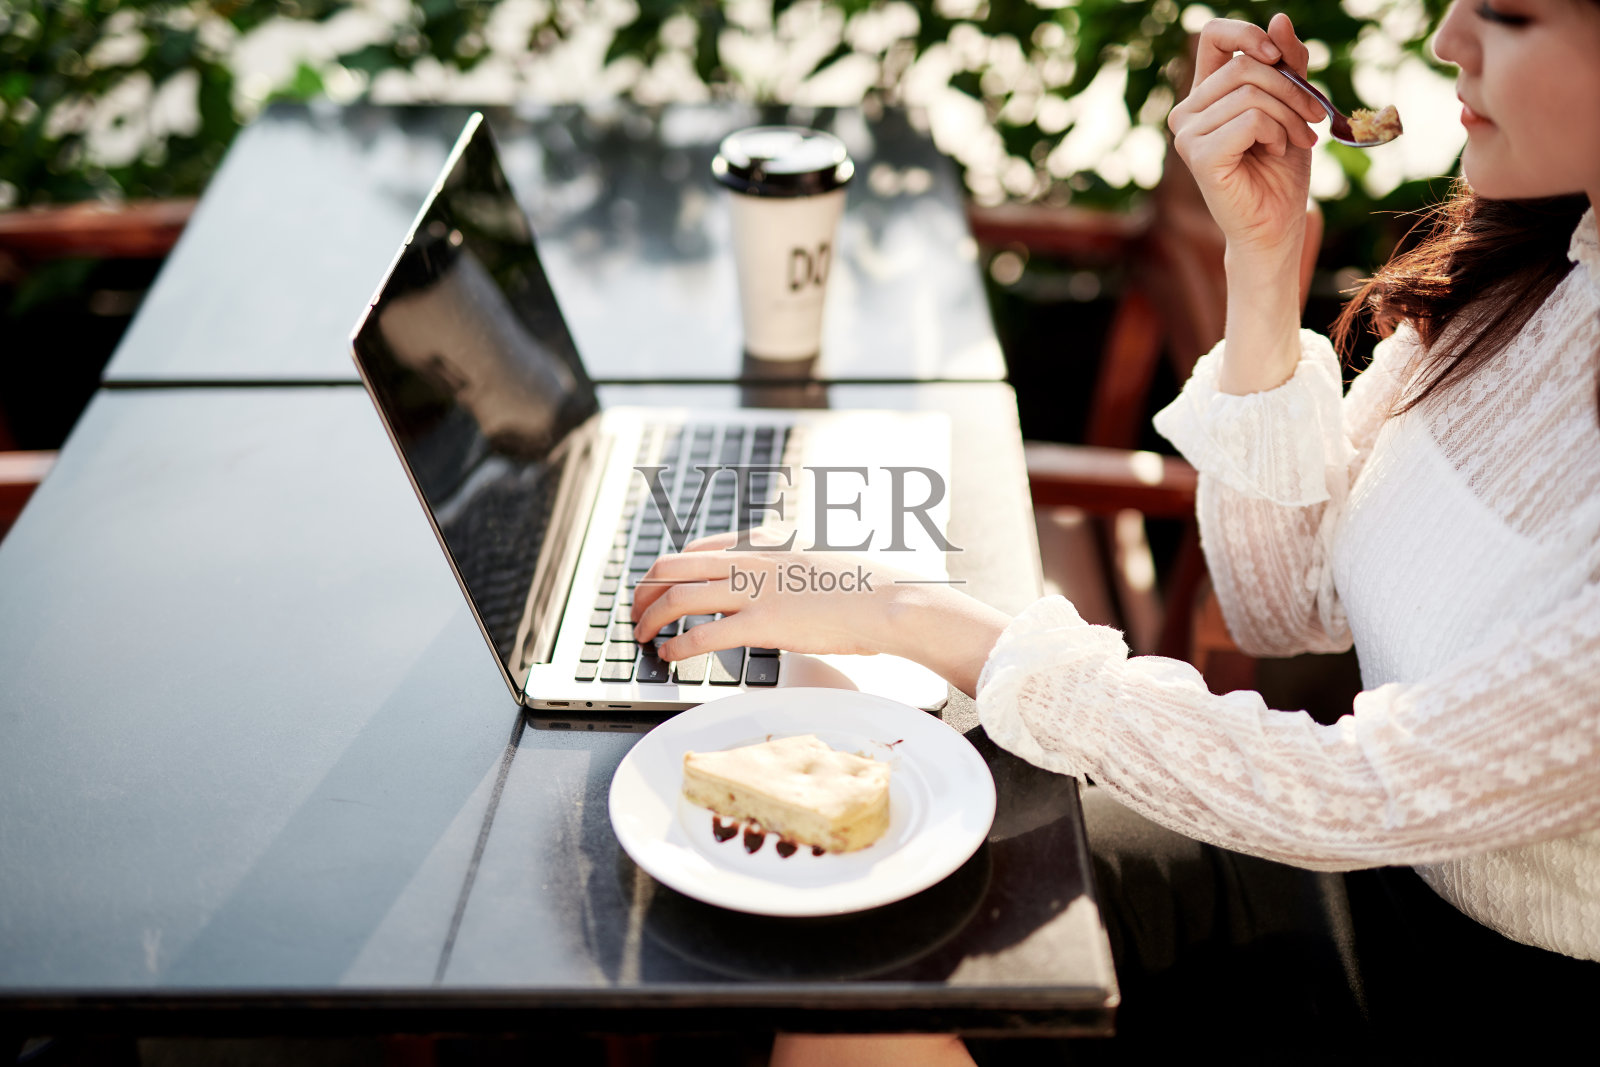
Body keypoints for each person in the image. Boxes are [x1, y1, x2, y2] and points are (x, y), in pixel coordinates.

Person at [634, 2, 1600, 1058]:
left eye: (1509, 14)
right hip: (1358, 865)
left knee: (862, 973)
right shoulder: (1539, 269)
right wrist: (1265, 256)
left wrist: (902, 608)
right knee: (855, 906)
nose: (1448, 38)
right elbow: (1283, 607)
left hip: (1469, 990)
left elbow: (1359, 784)